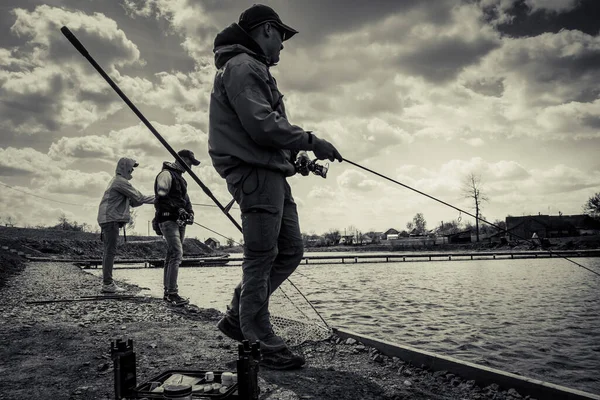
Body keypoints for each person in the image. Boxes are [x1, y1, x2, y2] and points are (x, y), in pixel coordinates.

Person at [208, 4, 343, 370]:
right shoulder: (243, 67)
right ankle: (259, 340)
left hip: (270, 172)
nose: (283, 46)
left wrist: (295, 158)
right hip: (255, 176)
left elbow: (263, 131)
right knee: (262, 256)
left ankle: (239, 316)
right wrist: (311, 141)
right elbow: (261, 125)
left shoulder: (249, 67)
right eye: (282, 37)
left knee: (291, 250)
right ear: (267, 30)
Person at [97, 157, 155, 293]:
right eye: (131, 167)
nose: (133, 170)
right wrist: (161, 198)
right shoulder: (120, 182)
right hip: (110, 219)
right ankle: (107, 284)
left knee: (108, 251)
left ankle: (107, 283)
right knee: (110, 251)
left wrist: (143, 199)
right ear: (124, 167)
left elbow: (135, 201)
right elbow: (140, 198)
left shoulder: (117, 181)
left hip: (107, 219)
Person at [154, 149, 200, 306]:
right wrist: (178, 209)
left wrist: (190, 213)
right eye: (189, 163)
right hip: (167, 220)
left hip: (179, 222)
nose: (190, 167)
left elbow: (186, 200)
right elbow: (161, 197)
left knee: (171, 254)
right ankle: (172, 293)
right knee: (177, 253)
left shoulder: (181, 179)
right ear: (181, 160)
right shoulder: (165, 174)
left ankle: (168, 292)